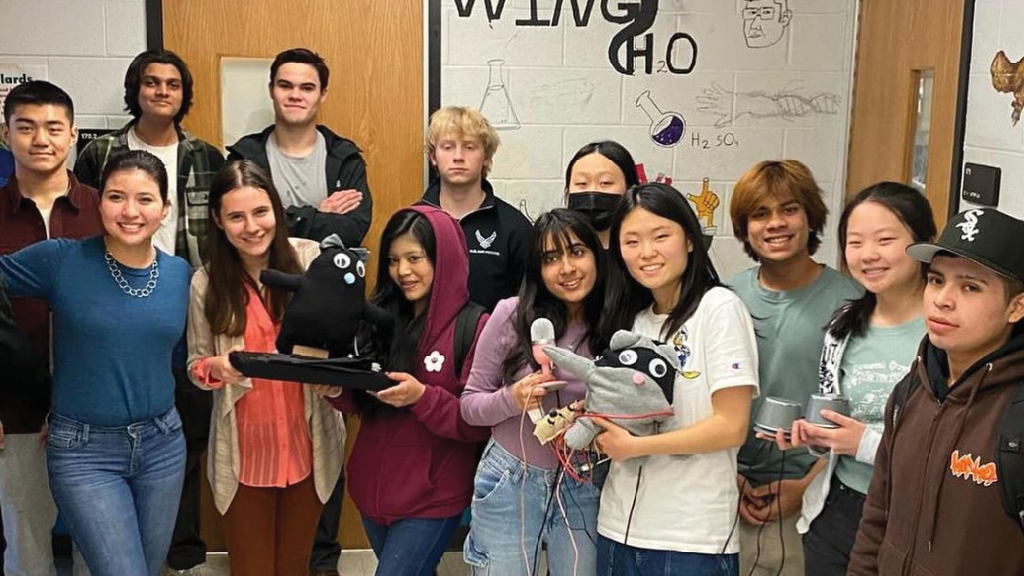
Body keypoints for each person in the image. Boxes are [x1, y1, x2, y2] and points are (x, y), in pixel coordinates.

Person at [0, 150, 191, 576]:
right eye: (116, 197)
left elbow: (180, 356)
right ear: (99, 202)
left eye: (144, 199)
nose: (129, 211)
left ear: (164, 208)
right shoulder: (62, 260)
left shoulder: (180, 275)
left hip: (163, 443)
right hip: (84, 451)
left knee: (149, 565)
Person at [72, 50, 224, 575]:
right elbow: (81, 222)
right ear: (135, 88)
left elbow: (224, 231)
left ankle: (178, 552)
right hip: (115, 302)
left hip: (182, 303)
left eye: (173, 84)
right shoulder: (101, 151)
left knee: (180, 431)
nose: (162, 91)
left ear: (185, 94)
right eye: (152, 82)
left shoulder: (206, 154)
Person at [760, 183, 936, 576]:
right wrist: (815, 438)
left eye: (885, 240)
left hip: (919, 514)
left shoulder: (945, 328)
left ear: (925, 242)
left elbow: (954, 444)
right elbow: (836, 422)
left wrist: (866, 443)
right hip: (840, 507)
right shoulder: (843, 327)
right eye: (854, 242)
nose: (868, 255)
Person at [185, 160, 345, 576]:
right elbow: (194, 364)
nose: (251, 227)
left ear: (276, 210)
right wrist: (216, 367)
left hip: (307, 446)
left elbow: (344, 346)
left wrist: (333, 375)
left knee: (294, 568)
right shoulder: (206, 283)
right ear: (218, 221)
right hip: (243, 456)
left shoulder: (311, 261)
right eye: (236, 216)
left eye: (260, 212)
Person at [593, 183, 759, 575]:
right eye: (631, 241)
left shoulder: (719, 308)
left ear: (688, 239)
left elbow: (731, 426)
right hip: (618, 526)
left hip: (690, 536)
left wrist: (636, 448)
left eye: (660, 236)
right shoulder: (631, 321)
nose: (646, 252)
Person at [847, 207, 1024, 576]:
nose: (943, 299)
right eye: (936, 280)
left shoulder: (1015, 416)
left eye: (970, 287)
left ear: (1016, 306)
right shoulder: (911, 389)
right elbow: (877, 518)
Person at [323, 205, 491, 576]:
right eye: (394, 259)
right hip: (371, 491)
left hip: (432, 499)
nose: (403, 271)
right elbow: (359, 399)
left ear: (442, 258)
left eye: (415, 258)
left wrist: (422, 398)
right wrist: (333, 385)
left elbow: (478, 424)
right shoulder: (377, 316)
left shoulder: (476, 327)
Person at [726, 159, 862, 576]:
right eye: (760, 214)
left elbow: (859, 407)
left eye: (789, 209)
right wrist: (730, 478)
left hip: (817, 495)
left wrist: (805, 487)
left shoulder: (851, 302)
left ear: (810, 216)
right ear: (744, 227)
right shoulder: (726, 298)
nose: (775, 224)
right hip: (730, 491)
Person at [460, 209, 608, 575]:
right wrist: (512, 398)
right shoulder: (511, 315)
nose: (567, 268)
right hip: (511, 478)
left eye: (577, 252)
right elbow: (469, 404)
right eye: (551, 258)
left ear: (596, 256)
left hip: (585, 479)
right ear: (536, 270)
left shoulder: (615, 321)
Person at [0, 80, 101, 576]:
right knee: (27, 551)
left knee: (99, 550)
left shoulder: (110, 212)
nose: (41, 139)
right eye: (26, 127)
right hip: (14, 412)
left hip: (96, 417)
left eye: (53, 127)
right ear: (6, 135)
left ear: (73, 134)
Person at [227, 48, 372, 248]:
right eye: (285, 86)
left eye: (307, 88)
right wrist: (319, 215)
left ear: (322, 94)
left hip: (327, 277)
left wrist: (281, 217)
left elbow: (351, 231)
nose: (295, 95)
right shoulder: (244, 158)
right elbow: (242, 228)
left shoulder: (345, 157)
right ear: (271, 90)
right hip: (261, 276)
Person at [419, 106, 531, 311]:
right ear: (433, 156)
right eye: (447, 147)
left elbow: (527, 304)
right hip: (421, 342)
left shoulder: (515, 228)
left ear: (486, 156)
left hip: (493, 342)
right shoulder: (413, 222)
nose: (458, 156)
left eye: (470, 147)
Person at [563, 141, 638, 249]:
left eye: (605, 182)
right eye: (582, 183)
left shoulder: (642, 252)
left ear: (629, 188)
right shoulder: (555, 247)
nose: (592, 191)